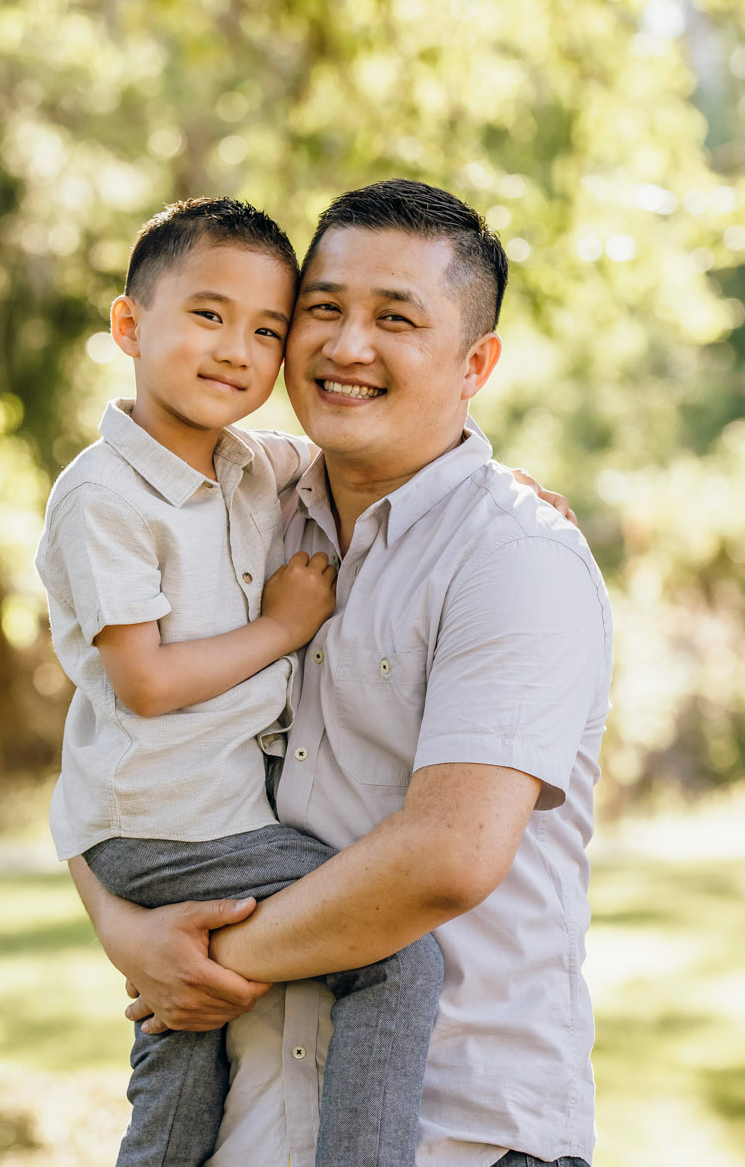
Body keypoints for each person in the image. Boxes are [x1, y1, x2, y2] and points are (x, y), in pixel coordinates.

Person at [70, 179, 612, 1167]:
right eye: (321, 309)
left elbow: (447, 854)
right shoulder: (242, 515)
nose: (345, 345)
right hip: (253, 1125)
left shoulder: (513, 555)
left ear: (473, 362)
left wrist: (204, 964)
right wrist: (126, 933)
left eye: (394, 318)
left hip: (460, 1136)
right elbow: (111, 742)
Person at [36, 197, 446, 1167]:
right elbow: (140, 681)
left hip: (192, 815)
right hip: (170, 822)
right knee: (395, 954)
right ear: (128, 326)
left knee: (188, 1036)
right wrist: (279, 627)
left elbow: (385, 450)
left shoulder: (250, 466)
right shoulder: (103, 493)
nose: (237, 350)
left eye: (266, 329)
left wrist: (500, 485)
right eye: (208, 315)